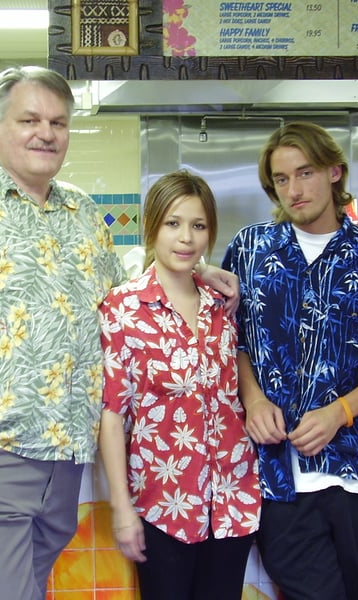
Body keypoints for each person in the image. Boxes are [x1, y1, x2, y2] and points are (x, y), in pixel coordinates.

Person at [0, 65, 240, 600]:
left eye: (58, 121)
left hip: (62, 465)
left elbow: (122, 300)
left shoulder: (81, 210)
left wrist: (194, 270)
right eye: (29, 119)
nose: (45, 132)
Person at [222, 121, 358, 600]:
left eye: (306, 173)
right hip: (279, 478)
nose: (294, 190)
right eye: (281, 179)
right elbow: (232, 342)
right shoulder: (251, 249)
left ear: (335, 172)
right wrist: (252, 399)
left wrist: (341, 412)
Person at [98, 170, 261, 600]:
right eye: (173, 223)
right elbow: (111, 413)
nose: (185, 237)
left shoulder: (221, 304)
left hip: (232, 499)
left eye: (198, 225)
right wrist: (122, 508)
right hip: (162, 505)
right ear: (152, 225)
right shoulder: (122, 309)